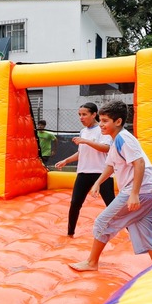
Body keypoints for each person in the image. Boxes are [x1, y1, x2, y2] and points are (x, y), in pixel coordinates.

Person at [69, 100, 152, 272]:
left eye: (105, 121)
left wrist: (134, 193)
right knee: (146, 231)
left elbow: (140, 163)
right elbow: (111, 165)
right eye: (101, 120)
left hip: (142, 190)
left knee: (102, 222)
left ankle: (92, 263)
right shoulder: (115, 141)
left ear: (118, 122)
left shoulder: (123, 139)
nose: (101, 125)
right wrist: (98, 182)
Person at [54, 102, 116, 237]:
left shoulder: (102, 129)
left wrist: (86, 141)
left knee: (112, 205)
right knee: (75, 203)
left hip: (101, 173)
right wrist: (66, 160)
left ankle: (131, 232)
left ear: (94, 114)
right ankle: (70, 233)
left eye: (84, 114)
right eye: (79, 115)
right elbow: (82, 152)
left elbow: (106, 148)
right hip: (83, 173)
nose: (81, 117)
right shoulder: (83, 131)